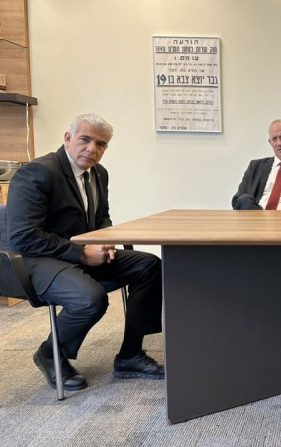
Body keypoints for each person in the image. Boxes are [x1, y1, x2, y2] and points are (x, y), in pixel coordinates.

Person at [3, 113, 164, 391]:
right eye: (85, 139)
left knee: (149, 265)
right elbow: (23, 236)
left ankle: (130, 355)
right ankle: (50, 354)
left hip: (76, 255)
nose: (92, 148)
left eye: (100, 144)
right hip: (38, 259)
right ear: (68, 138)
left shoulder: (99, 173)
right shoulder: (39, 172)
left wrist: (105, 240)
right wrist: (81, 254)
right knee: (91, 298)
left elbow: (102, 216)